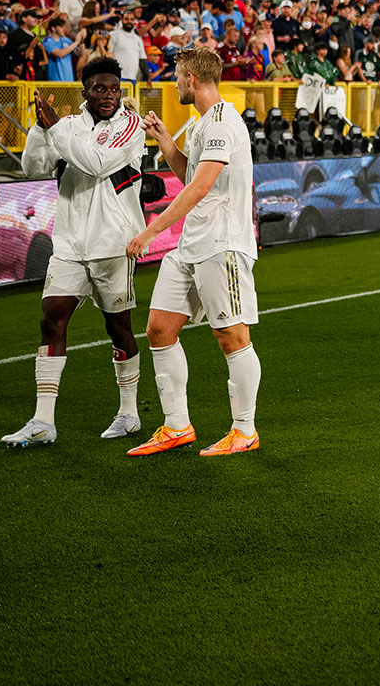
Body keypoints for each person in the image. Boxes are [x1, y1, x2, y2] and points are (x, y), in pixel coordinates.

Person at [1, 57, 148, 447]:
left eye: (115, 89)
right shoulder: (65, 126)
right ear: (84, 91)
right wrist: (38, 127)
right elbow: (33, 167)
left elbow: (97, 164)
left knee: (118, 328)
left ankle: (129, 413)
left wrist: (55, 130)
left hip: (113, 244)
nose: (109, 96)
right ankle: (43, 422)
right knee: (51, 319)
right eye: (100, 89)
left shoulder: (130, 126)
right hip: (68, 244)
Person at [124, 47, 264, 456]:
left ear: (191, 79)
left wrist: (149, 231)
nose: (174, 83)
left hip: (222, 244)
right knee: (159, 329)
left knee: (232, 336)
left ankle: (245, 430)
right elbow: (191, 173)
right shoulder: (204, 124)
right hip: (192, 244)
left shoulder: (222, 122)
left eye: (176, 76)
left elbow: (199, 187)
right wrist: (166, 140)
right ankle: (177, 425)